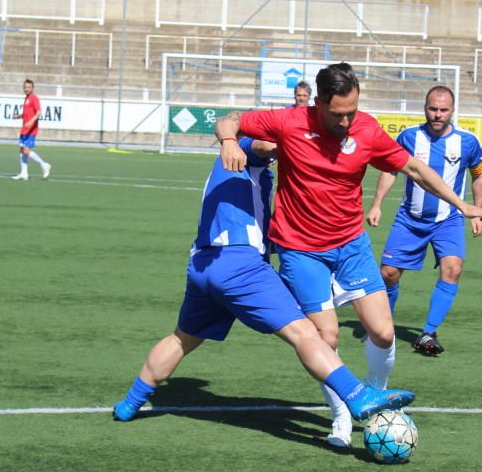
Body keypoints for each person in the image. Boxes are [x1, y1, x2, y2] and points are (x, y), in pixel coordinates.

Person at [215, 63, 482, 447]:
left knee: (383, 331)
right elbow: (229, 120)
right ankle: (341, 414)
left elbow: (413, 167)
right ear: (318, 103)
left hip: (351, 245)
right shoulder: (289, 121)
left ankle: (373, 400)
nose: (347, 121)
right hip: (300, 250)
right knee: (325, 338)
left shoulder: (366, 128)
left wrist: (463, 205)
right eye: (337, 113)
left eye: (352, 111)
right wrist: (229, 141)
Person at [114, 137, 415, 425]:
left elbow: (272, 237)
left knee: (182, 338)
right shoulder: (244, 153)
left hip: (203, 265)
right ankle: (358, 395)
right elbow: (262, 144)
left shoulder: (231, 174)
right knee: (306, 333)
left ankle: (129, 403)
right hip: (240, 265)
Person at [366, 85, 482, 357]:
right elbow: (390, 170)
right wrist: (376, 205)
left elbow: (479, 174)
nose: (438, 114)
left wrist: (477, 212)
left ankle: (429, 333)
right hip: (410, 218)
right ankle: (383, 324)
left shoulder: (467, 142)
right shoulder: (408, 137)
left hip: (449, 220)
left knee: (453, 268)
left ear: (452, 111)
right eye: (433, 109)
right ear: (425, 108)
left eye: (443, 110)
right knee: (388, 274)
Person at [11, 79, 51, 181]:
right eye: (25, 87)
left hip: (31, 129)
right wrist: (19, 116)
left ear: (32, 88)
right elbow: (27, 113)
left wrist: (31, 122)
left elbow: (38, 113)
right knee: (21, 150)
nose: (26, 89)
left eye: (29, 87)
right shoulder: (27, 98)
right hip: (24, 129)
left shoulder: (34, 98)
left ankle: (44, 165)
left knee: (26, 150)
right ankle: (24, 173)